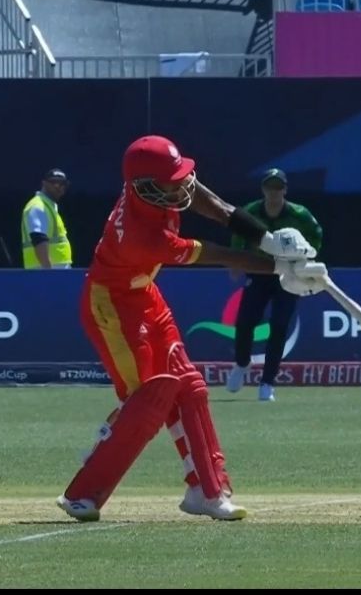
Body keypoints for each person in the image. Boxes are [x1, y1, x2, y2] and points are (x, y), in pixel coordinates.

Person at [57, 135, 327, 522]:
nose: (181, 183)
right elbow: (217, 255)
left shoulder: (160, 186)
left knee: (191, 386)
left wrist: (269, 240)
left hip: (144, 294)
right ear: (146, 187)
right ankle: (83, 493)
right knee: (149, 398)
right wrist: (283, 269)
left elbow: (216, 206)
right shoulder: (144, 237)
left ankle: (208, 490)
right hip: (111, 307)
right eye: (172, 179)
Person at [225, 168, 323, 402]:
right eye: (270, 187)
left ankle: (267, 383)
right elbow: (237, 236)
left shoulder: (299, 214)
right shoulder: (250, 212)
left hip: (288, 274)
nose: (274, 192)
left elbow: (316, 235)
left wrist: (307, 258)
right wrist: (235, 261)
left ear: (285, 190)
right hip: (259, 270)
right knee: (245, 321)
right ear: (263, 190)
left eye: (278, 187)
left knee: (279, 326)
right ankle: (241, 364)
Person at [20, 169, 73, 270]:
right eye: (54, 182)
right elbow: (38, 238)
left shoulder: (49, 207)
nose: (58, 187)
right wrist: (48, 273)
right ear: (44, 183)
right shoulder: (38, 206)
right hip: (44, 272)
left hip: (55, 272)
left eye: (62, 184)